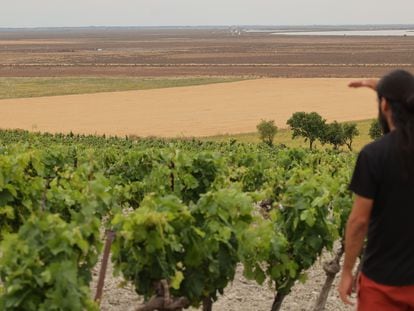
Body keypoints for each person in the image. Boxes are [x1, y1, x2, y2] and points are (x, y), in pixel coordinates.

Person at [338, 69, 414, 310]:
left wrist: (347, 270)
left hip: (383, 284)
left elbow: (359, 221)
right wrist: (384, 88)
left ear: (384, 107)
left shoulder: (374, 155)